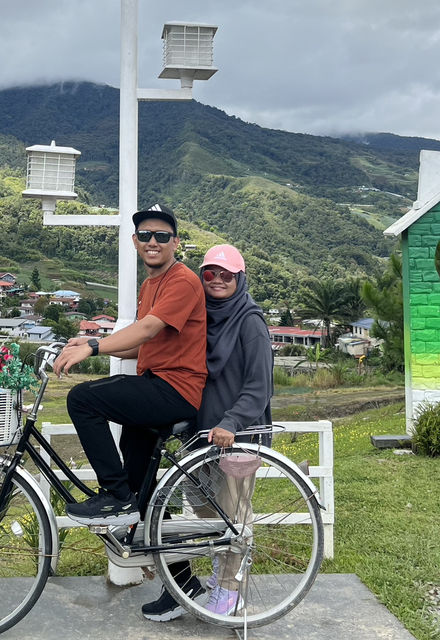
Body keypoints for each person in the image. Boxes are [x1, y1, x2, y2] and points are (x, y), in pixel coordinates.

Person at [53, 203, 207, 532]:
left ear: (175, 243)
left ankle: (113, 494)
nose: (153, 242)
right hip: (156, 386)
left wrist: (94, 345)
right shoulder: (150, 285)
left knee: (81, 399)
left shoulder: (183, 280)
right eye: (146, 235)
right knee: (142, 490)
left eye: (162, 236)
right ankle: (183, 581)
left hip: (174, 390)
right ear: (135, 241)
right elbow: (140, 345)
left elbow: (148, 329)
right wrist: (87, 346)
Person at [141, 243, 273, 622]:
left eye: (226, 275)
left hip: (237, 438)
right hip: (200, 439)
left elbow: (258, 387)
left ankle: (230, 592)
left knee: (233, 516)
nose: (217, 281)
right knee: (204, 515)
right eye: (210, 273)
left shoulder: (250, 322)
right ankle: (206, 581)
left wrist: (231, 422)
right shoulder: (201, 319)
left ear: (240, 279)